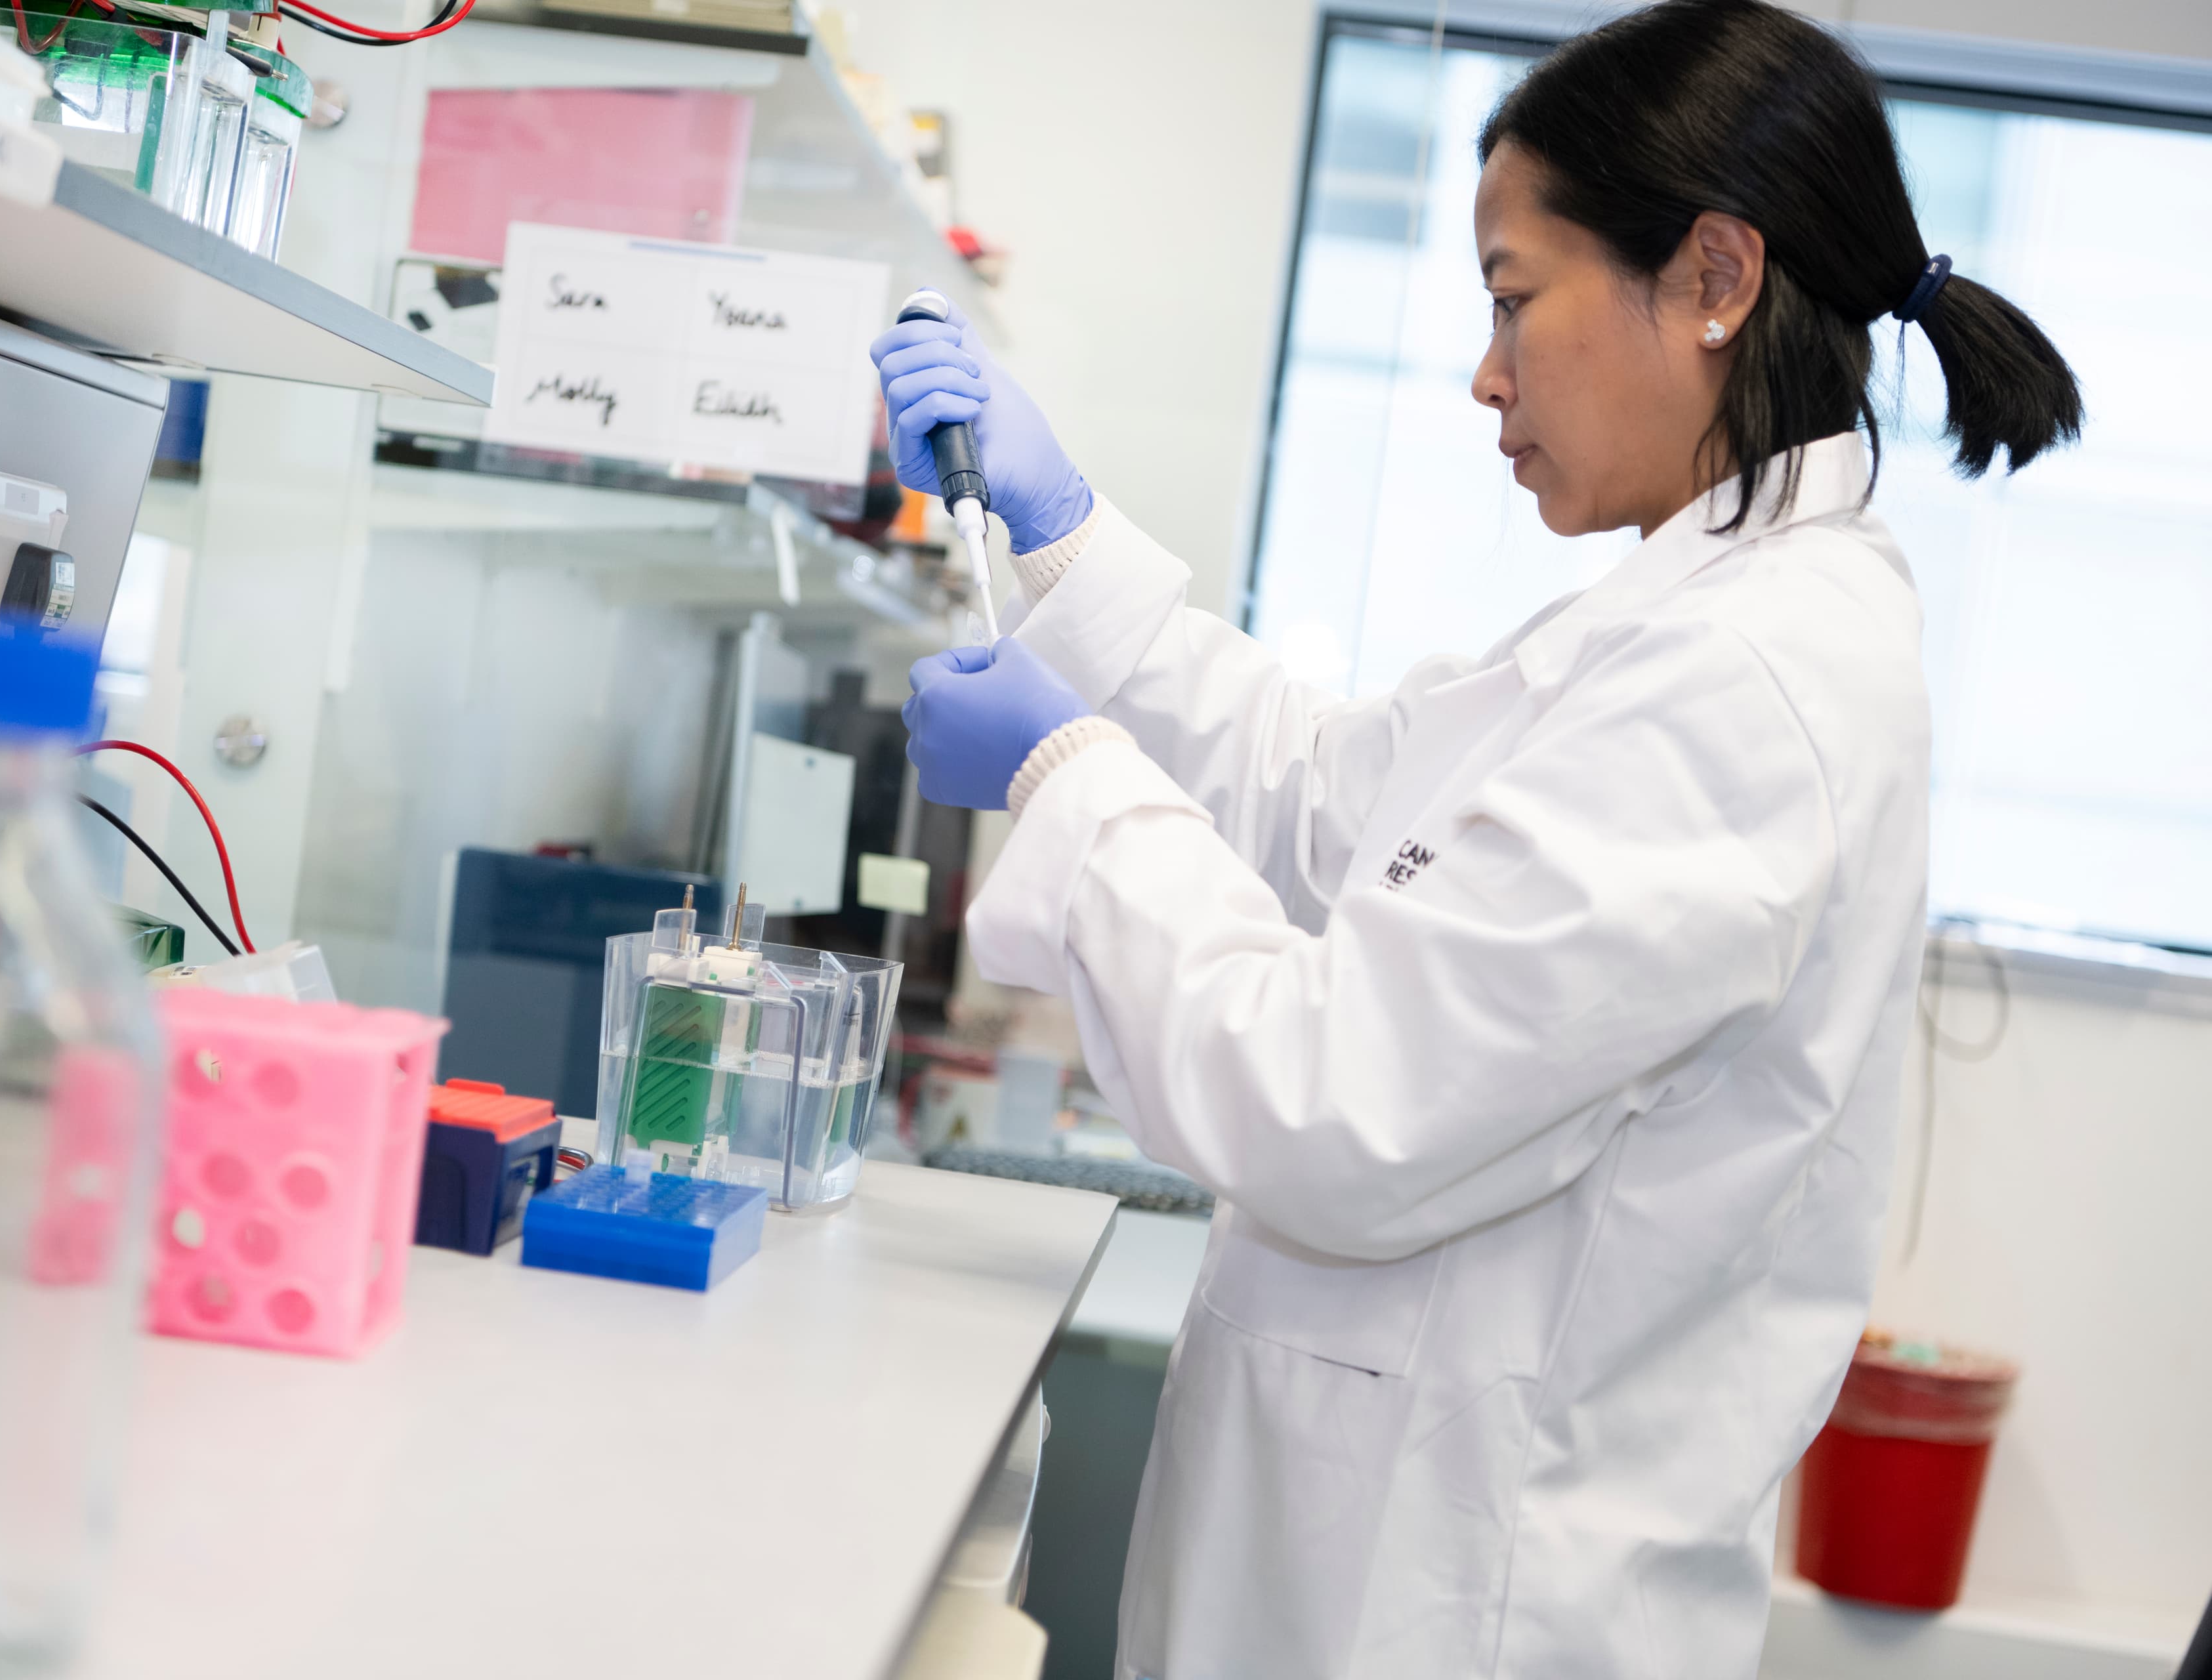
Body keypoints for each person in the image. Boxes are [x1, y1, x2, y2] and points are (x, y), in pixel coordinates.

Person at [868, 2, 2081, 1676]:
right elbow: (1328, 795)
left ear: (1716, 277)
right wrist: (1066, 536)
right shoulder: (1678, 628)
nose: (1486, 373)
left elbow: (1331, 1101)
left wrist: (1062, 774)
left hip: (1465, 1609)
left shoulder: (1741, 686)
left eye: (1515, 298)